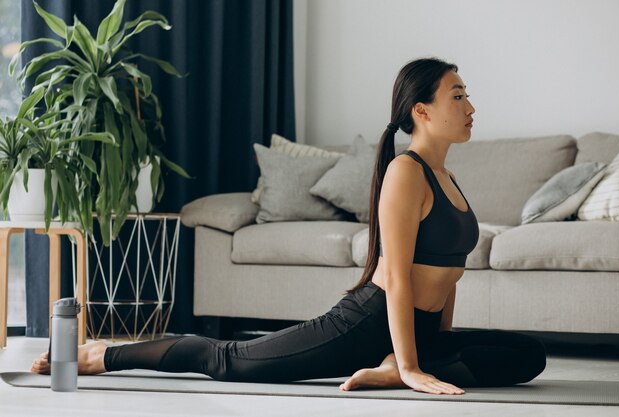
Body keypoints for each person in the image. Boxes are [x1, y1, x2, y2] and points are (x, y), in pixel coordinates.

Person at [31, 57, 546, 395]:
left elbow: (448, 271)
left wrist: (431, 347)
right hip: (365, 323)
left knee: (528, 354)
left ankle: (391, 365)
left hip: (414, 332)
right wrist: (413, 367)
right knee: (230, 359)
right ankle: (105, 354)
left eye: (467, 94)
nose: (471, 106)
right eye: (458, 96)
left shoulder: (446, 175)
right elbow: (396, 279)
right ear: (422, 111)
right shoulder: (406, 174)